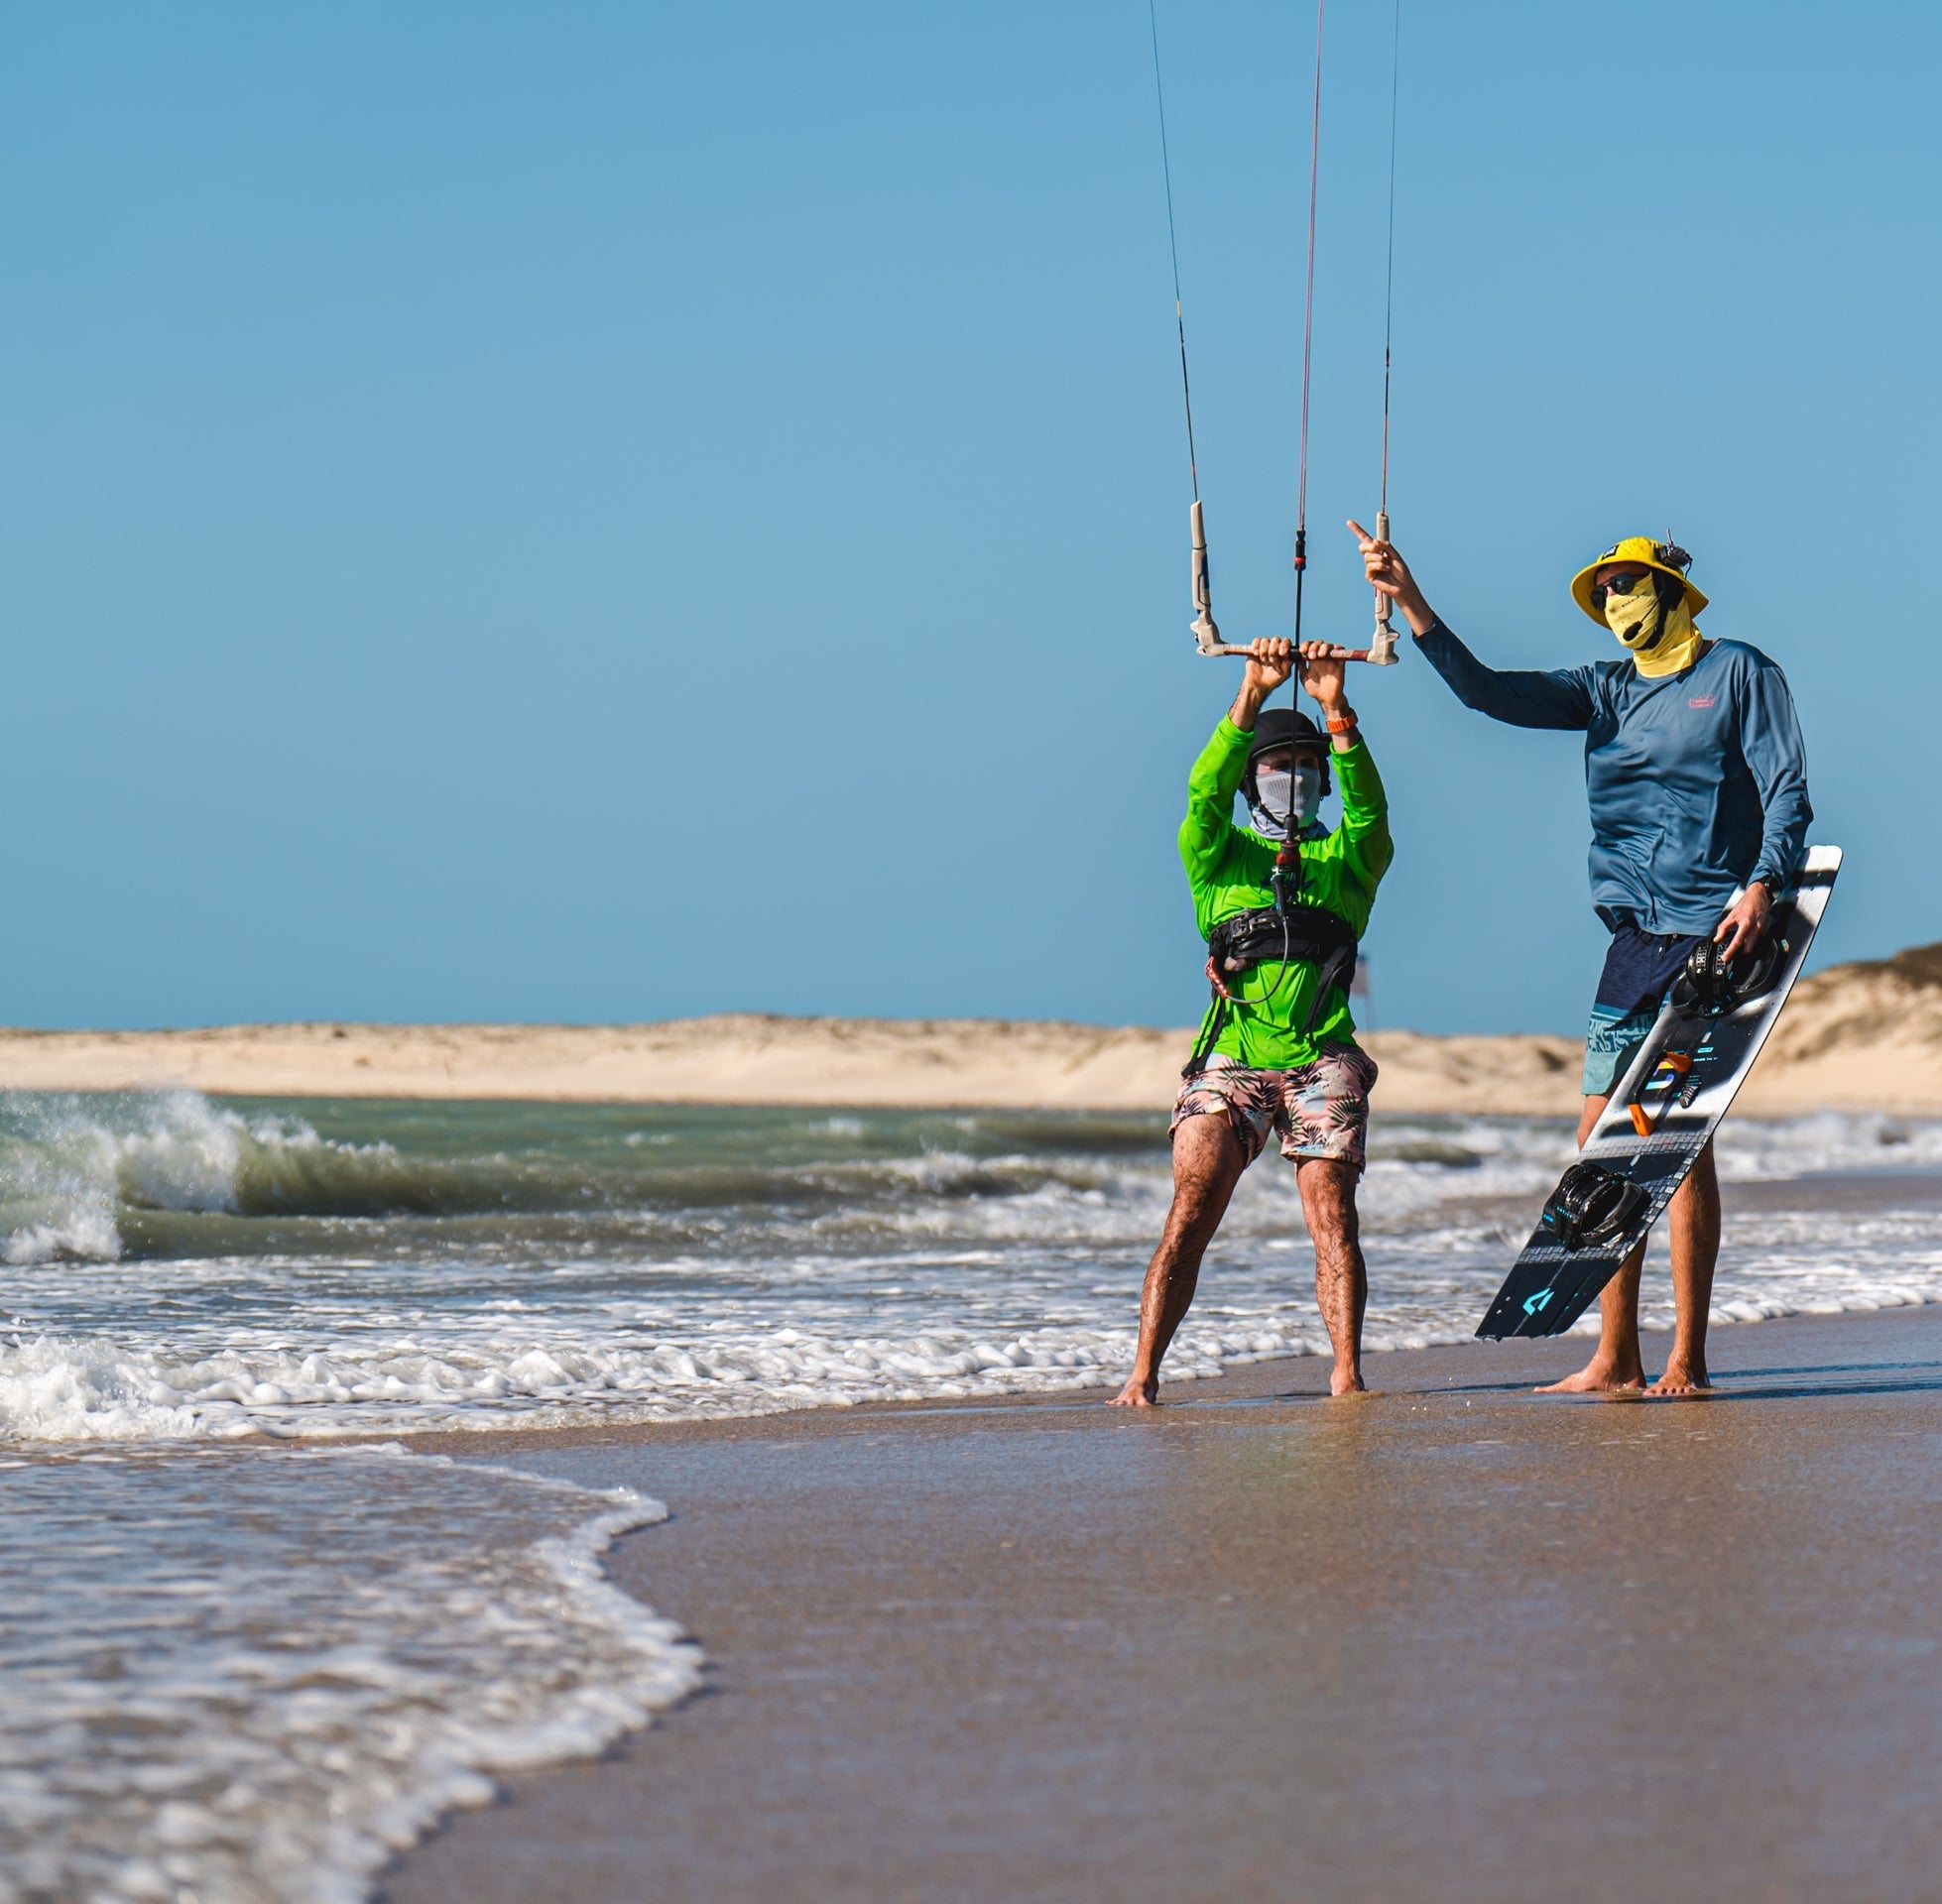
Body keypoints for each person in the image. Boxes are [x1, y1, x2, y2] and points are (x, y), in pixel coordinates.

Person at [1349, 521, 1811, 1395]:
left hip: (1716, 932)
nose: (1614, 605)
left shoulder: (1739, 672)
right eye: (1603, 595)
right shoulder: (1601, 691)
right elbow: (1486, 693)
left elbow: (1787, 786)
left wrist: (1762, 884)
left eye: (1626, 587)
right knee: (1605, 1147)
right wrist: (1409, 600)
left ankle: (1688, 1357)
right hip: (1632, 939)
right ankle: (1615, 1354)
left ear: (1670, 589)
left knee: (1677, 1145)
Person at [1112, 637, 1393, 1404]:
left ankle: (1346, 1374)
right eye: (1277, 767)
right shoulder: (1218, 859)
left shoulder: (1347, 864)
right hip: (1232, 1057)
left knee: (1330, 1209)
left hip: (1320, 1057)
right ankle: (1142, 1375)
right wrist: (1252, 694)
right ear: (1252, 782)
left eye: (1306, 770)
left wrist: (1336, 711)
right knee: (1192, 1202)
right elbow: (1201, 795)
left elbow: (1370, 808)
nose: (1293, 779)